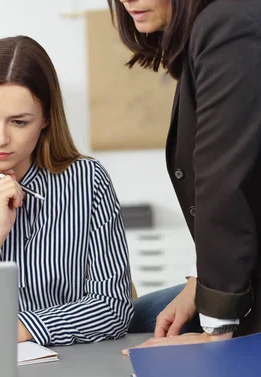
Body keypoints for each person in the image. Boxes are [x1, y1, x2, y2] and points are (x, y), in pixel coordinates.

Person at [0, 35, 134, 346]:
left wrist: (16, 329)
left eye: (18, 122)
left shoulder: (88, 180)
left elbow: (112, 308)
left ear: (45, 119)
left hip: (71, 366)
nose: (0, 139)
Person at [109, 0, 261, 349]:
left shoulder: (227, 24)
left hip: (246, 294)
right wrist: (199, 283)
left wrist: (215, 333)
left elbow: (223, 183)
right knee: (140, 314)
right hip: (239, 272)